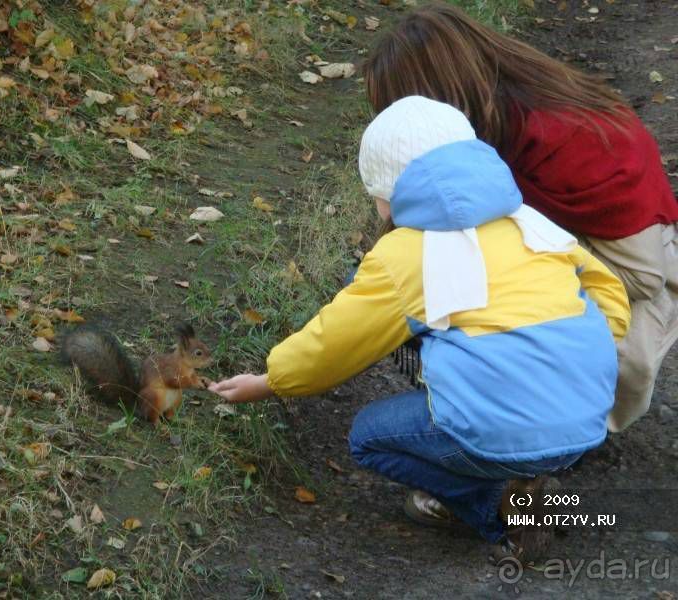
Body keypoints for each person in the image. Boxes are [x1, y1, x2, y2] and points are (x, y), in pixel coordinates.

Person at [209, 96, 630, 562]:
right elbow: (609, 295)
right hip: (588, 417)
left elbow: (335, 342)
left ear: (389, 193)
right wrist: (577, 358)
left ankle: (506, 511)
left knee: (368, 437)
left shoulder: (407, 255)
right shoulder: (530, 223)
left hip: (508, 426)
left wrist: (272, 381)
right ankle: (545, 497)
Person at [361, 2, 678, 433]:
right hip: (560, 246)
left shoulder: (573, 139)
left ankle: (558, 433)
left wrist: (518, 273)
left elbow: (645, 278)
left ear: (444, 94)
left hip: (635, 263)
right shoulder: (486, 121)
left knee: (614, 358)